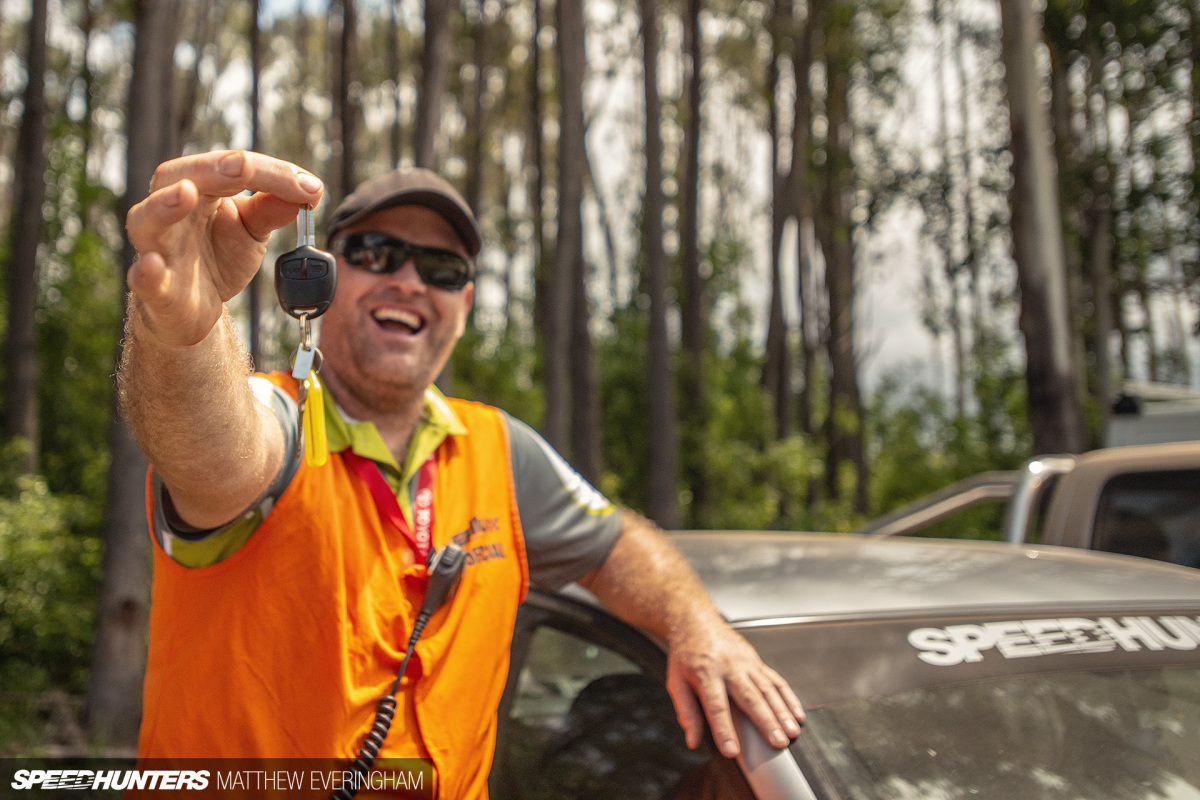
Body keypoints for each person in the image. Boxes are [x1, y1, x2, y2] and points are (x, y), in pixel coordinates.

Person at [120, 150, 804, 796]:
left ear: (466, 304)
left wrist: (695, 624)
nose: (410, 281)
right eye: (377, 253)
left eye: (442, 269)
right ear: (323, 273)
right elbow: (213, 452)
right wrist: (185, 332)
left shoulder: (500, 449)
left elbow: (616, 542)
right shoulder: (280, 413)